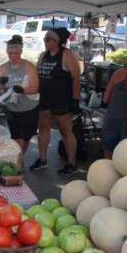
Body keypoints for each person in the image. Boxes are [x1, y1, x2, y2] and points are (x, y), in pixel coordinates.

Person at [30, 28, 81, 175]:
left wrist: (75, 100)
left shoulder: (67, 55)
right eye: (45, 39)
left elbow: (76, 78)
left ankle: (71, 162)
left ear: (57, 41)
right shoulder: (43, 56)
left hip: (62, 100)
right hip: (45, 99)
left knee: (66, 131)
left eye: (48, 39)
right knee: (43, 128)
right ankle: (42, 159)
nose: (45, 42)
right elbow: (37, 75)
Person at [0, 35, 39, 155]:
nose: (13, 56)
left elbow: (35, 88)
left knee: (27, 137)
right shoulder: (3, 68)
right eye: (10, 53)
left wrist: (22, 90)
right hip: (13, 109)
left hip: (29, 107)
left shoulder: (28, 66)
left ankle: (20, 157)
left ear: (21, 52)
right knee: (17, 137)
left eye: (16, 53)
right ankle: (18, 161)